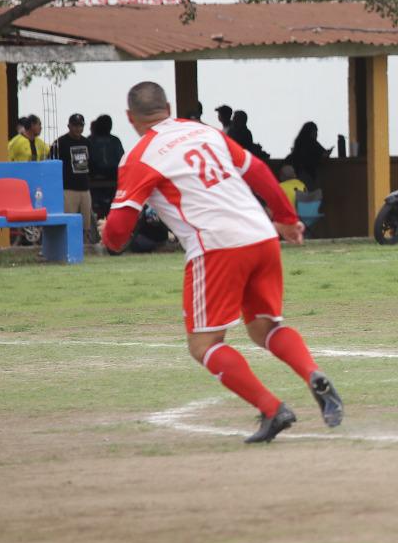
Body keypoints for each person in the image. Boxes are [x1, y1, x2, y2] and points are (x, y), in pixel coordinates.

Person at [100, 81, 343, 443]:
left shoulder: (140, 156)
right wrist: (286, 218)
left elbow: (119, 233)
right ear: (168, 106)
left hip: (215, 245)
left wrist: (107, 234)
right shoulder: (203, 131)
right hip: (260, 235)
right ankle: (311, 372)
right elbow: (257, 169)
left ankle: (273, 408)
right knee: (264, 328)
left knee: (204, 344)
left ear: (129, 118)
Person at [49, 113, 96, 241]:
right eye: (75, 126)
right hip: (68, 189)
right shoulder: (60, 143)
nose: (78, 129)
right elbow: (52, 166)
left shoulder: (87, 142)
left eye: (80, 126)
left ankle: (85, 246)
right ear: (69, 126)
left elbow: (92, 164)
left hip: (84, 188)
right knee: (69, 222)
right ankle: (67, 244)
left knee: (86, 223)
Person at [87, 115, 127, 221]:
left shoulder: (91, 140)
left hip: (104, 179)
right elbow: (122, 160)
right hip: (104, 179)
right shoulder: (113, 141)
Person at [285, 122, 330, 191]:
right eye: (315, 132)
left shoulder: (299, 141)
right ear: (312, 132)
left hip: (297, 173)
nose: (317, 134)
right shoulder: (312, 143)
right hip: (308, 174)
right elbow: (324, 154)